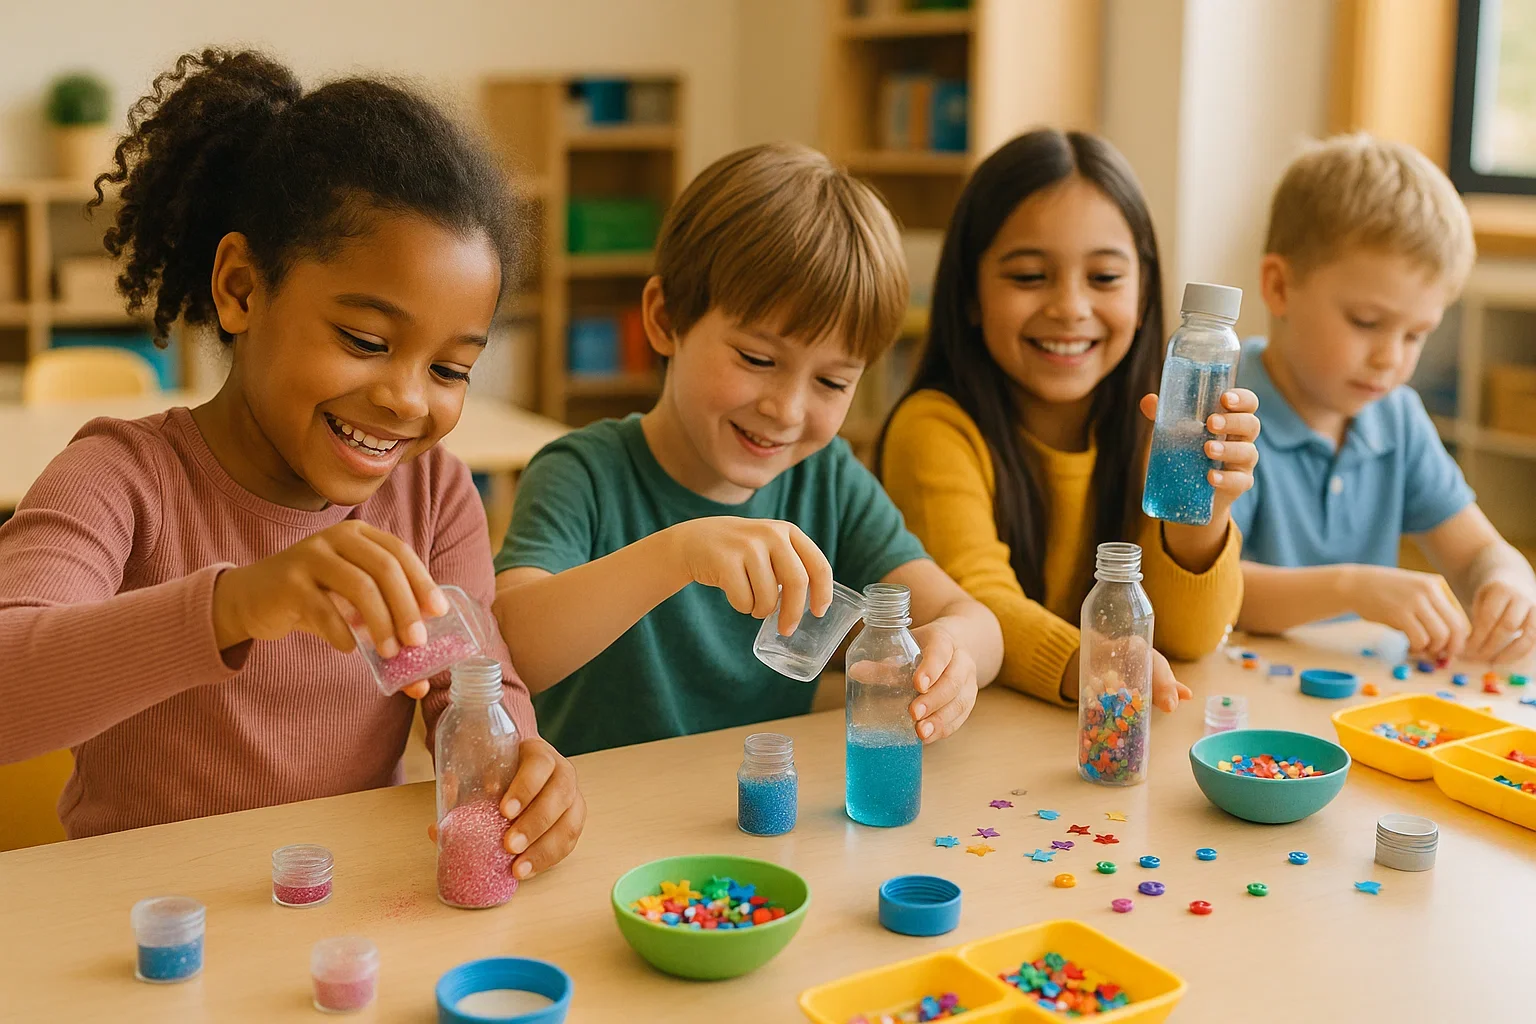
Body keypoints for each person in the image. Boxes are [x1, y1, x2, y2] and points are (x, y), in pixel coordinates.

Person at [0, 50, 584, 879]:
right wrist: (237, 604)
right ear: (241, 288)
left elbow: (472, 688)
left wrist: (527, 766)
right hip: (142, 927)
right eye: (367, 342)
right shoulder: (120, 481)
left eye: (450, 369)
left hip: (336, 914)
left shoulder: (430, 495)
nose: (409, 401)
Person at [493, 143, 1003, 756]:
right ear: (664, 320)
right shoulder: (583, 474)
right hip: (600, 823)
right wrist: (678, 554)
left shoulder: (829, 480)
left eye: (832, 382)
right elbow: (507, 652)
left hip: (757, 810)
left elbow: (975, 621)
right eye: (757, 360)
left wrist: (955, 649)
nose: (786, 409)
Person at [879, 129, 1257, 710]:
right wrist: (1095, 662)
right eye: (1029, 276)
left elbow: (1188, 638)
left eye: (1104, 278)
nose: (1070, 308)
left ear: (1145, 294)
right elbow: (976, 601)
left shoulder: (1153, 424)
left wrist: (1207, 511)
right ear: (971, 295)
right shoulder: (933, 428)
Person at [1231, 133, 1536, 664]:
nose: (1390, 358)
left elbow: (1477, 553)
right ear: (1279, 287)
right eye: (1367, 322)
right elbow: (1213, 591)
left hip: (1360, 700)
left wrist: (1508, 583)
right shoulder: (1229, 411)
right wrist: (1352, 589)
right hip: (1243, 710)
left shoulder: (1395, 417)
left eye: (1416, 335)